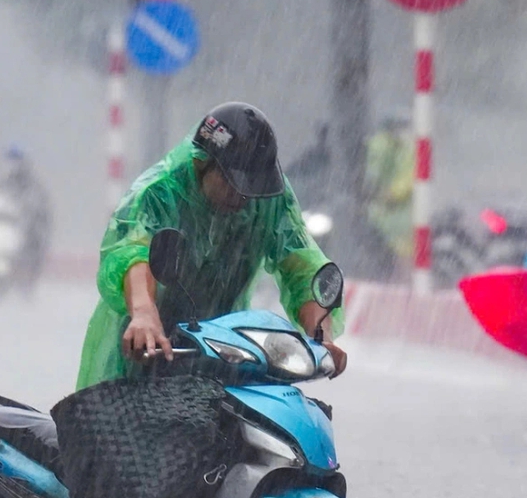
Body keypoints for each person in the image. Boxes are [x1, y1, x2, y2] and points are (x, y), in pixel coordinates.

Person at [80, 102, 346, 389]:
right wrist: (144, 313)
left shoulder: (268, 198)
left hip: (228, 352)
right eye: (232, 184)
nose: (242, 198)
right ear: (202, 162)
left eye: (250, 189)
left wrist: (321, 336)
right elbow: (133, 254)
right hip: (150, 352)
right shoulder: (159, 193)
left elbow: (302, 267)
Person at [0, 145, 54, 287]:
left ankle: (25, 284)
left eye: (14, 162)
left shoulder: (31, 187)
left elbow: (39, 209)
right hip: (9, 232)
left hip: (30, 232)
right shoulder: (4, 185)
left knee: (30, 259)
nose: (11, 167)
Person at [363, 115, 416, 266]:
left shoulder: (382, 145)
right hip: (390, 215)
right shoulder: (388, 146)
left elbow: (409, 178)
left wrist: (390, 193)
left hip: (391, 214)